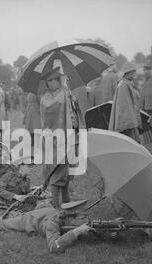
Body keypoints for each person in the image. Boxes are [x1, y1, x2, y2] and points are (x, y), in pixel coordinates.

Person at [0, 199, 93, 254]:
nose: (86, 220)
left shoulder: (72, 219)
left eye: (86, 217)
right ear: (71, 216)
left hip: (45, 211)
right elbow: (54, 247)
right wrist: (75, 232)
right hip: (29, 220)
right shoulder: (54, 222)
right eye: (82, 218)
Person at [40, 67, 85, 209]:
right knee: (57, 171)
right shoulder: (47, 98)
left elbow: (72, 110)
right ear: (47, 83)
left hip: (69, 137)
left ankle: (66, 200)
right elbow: (55, 106)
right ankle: (55, 204)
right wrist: (65, 90)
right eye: (50, 81)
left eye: (56, 79)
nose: (53, 83)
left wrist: (70, 96)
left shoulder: (64, 93)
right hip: (55, 140)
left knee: (66, 171)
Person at [108, 62, 141, 143]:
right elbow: (125, 107)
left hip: (129, 122)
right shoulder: (123, 85)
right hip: (127, 124)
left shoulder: (126, 84)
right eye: (134, 72)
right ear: (129, 72)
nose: (135, 74)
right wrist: (131, 124)